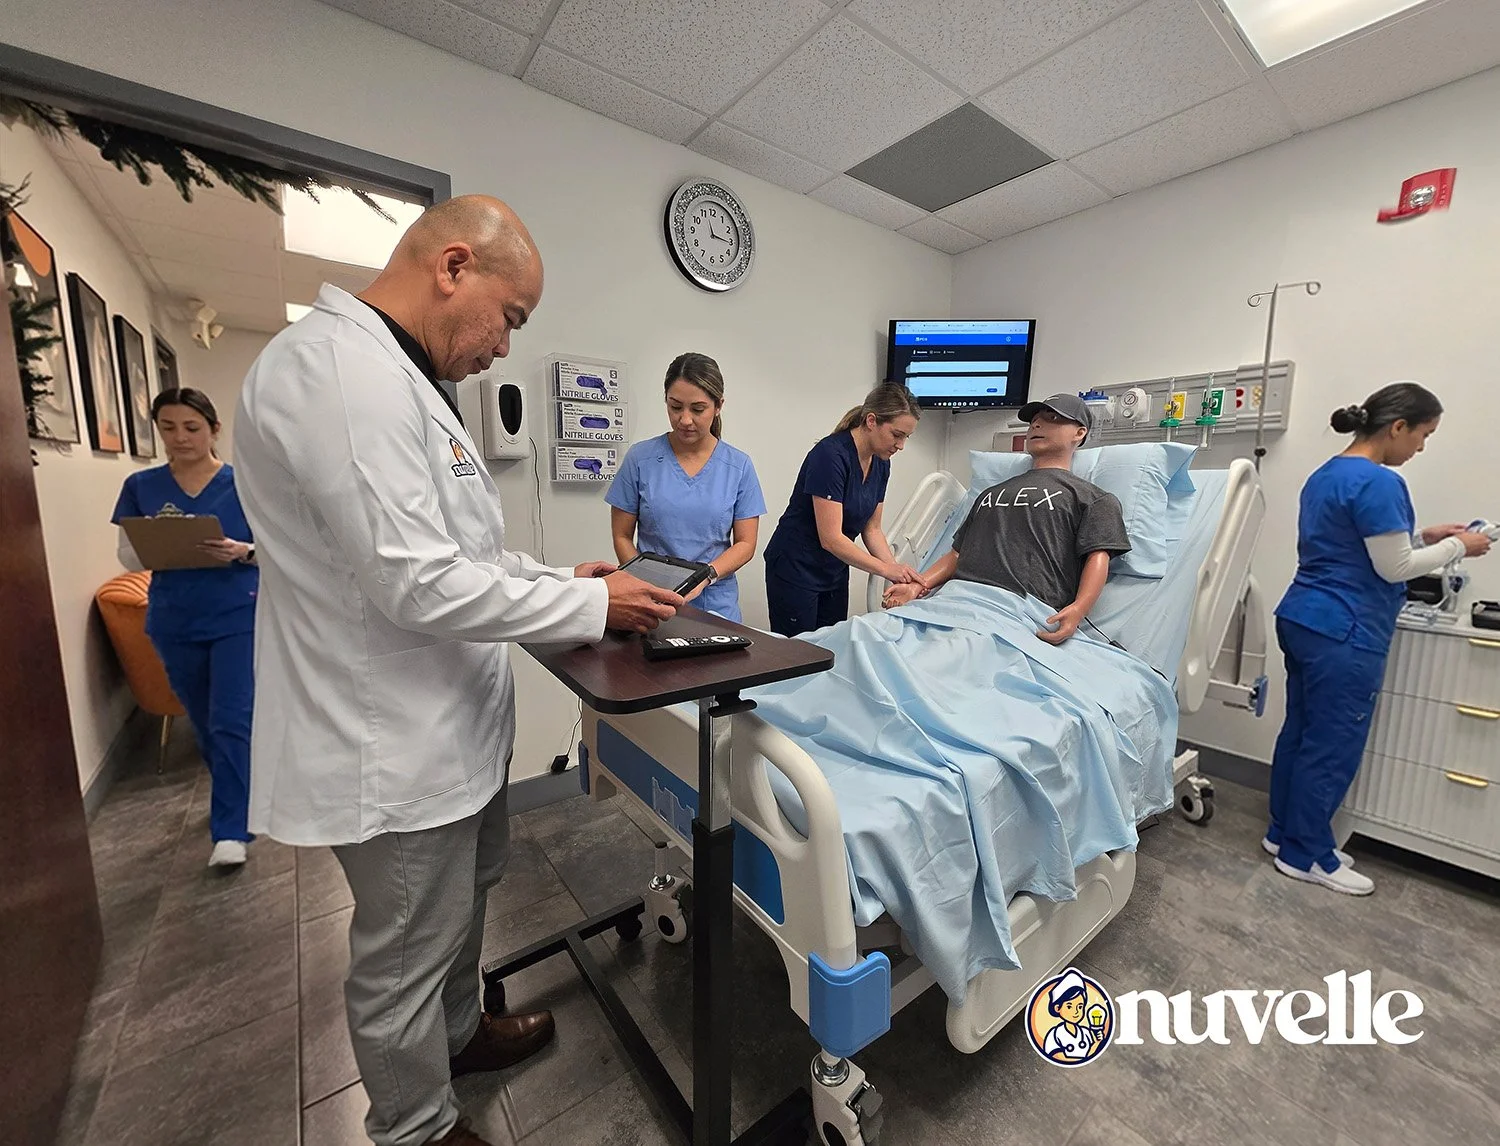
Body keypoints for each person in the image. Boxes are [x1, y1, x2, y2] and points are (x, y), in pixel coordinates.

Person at [232, 195, 682, 1146]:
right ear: (453, 267)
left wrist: (564, 576)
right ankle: (415, 1126)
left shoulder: (401, 384)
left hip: (446, 733)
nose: (504, 348)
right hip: (388, 747)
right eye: (510, 319)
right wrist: (594, 605)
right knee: (402, 951)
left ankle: (459, 1034)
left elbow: (465, 557)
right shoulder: (339, 375)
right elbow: (416, 584)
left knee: (460, 910)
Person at [1266, 382, 1490, 896]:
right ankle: (1307, 855)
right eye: (1423, 435)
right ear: (1397, 428)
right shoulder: (1381, 482)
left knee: (1300, 733)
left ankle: (1283, 834)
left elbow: (1356, 547)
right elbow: (1396, 569)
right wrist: (1461, 545)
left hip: (1303, 616)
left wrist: (1426, 536)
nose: (1421, 447)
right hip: (1345, 630)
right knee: (1333, 743)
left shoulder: (1327, 473)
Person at [112, 388, 257, 868]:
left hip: (238, 612)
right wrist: (163, 542)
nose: (180, 438)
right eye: (168, 428)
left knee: (231, 718)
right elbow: (128, 555)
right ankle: (238, 796)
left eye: (191, 428)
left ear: (214, 430)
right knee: (203, 722)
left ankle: (231, 829)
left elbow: (275, 547)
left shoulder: (244, 483)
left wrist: (242, 551)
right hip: (175, 618)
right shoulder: (142, 487)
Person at [883, 394, 1130, 645]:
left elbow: (1097, 556)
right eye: (1034, 420)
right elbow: (957, 554)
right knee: (866, 633)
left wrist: (1079, 609)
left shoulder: (1093, 498)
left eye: (1052, 418)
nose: (1036, 425)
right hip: (954, 600)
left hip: (1020, 608)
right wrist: (917, 585)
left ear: (1079, 432)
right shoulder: (990, 493)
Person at [605, 352, 766, 622]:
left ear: (718, 406)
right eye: (675, 407)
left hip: (715, 603)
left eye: (698, 409)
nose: (685, 420)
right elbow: (622, 535)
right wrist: (642, 582)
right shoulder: (641, 459)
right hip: (650, 601)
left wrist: (706, 577)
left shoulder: (738, 466)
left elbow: (746, 544)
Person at [762, 382, 922, 636]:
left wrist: (897, 574)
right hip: (796, 568)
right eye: (896, 434)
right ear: (871, 421)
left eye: (906, 437)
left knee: (832, 651)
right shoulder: (829, 455)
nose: (900, 445)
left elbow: (872, 529)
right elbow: (831, 538)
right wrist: (884, 569)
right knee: (797, 656)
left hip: (833, 571)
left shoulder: (881, 463)